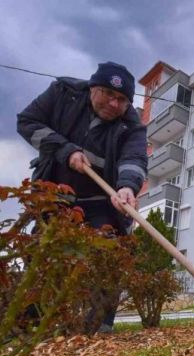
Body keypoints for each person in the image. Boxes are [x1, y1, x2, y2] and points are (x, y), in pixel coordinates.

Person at [17, 61, 148, 333]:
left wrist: (127, 187)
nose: (114, 104)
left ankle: (100, 325)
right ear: (92, 88)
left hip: (101, 200)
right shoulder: (63, 94)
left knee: (110, 251)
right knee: (43, 254)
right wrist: (64, 150)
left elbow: (134, 158)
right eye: (108, 95)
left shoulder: (131, 124)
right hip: (55, 194)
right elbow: (27, 121)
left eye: (121, 100)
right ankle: (28, 324)